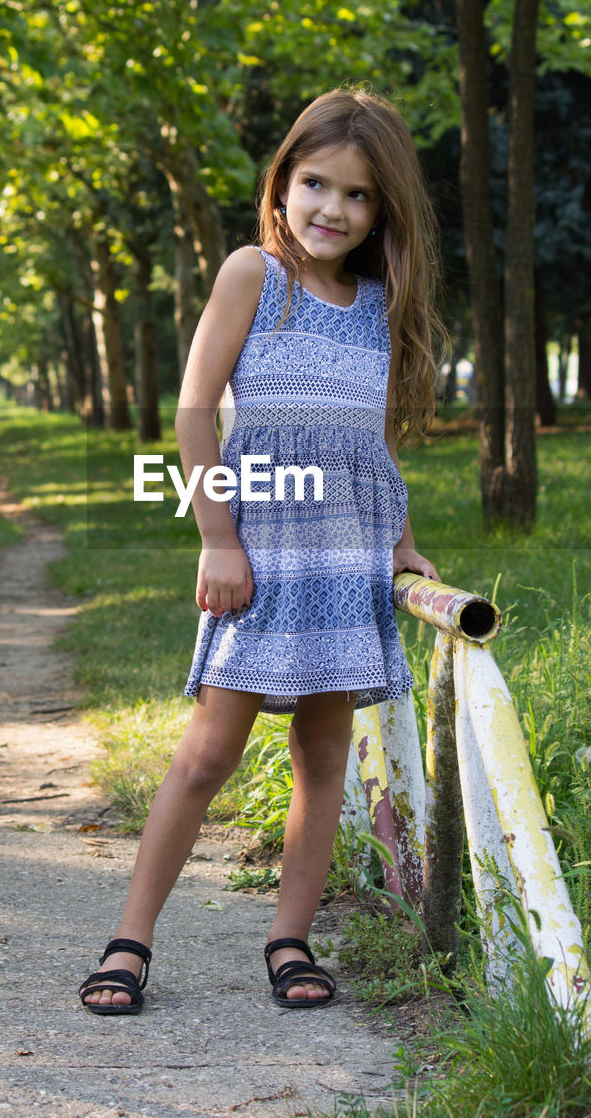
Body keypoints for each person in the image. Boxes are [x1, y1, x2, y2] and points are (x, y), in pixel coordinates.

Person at [78, 86, 442, 1016]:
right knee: (207, 754)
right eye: (315, 183)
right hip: (260, 554)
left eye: (358, 196)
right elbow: (197, 411)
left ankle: (290, 936)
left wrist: (401, 542)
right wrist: (216, 537)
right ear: (281, 182)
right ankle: (130, 939)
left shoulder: (375, 302)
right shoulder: (254, 274)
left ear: (382, 211)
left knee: (323, 757)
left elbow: (373, 442)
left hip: (346, 561)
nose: (332, 209)